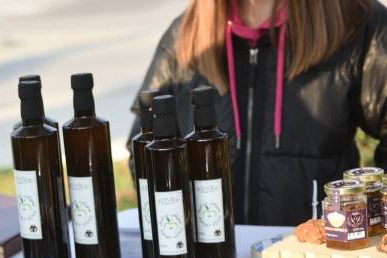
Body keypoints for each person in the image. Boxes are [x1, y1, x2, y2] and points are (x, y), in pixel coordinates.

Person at [129, 0, 387, 226]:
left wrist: (368, 222)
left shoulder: (355, 19)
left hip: (319, 254)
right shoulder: (186, 34)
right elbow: (144, 147)